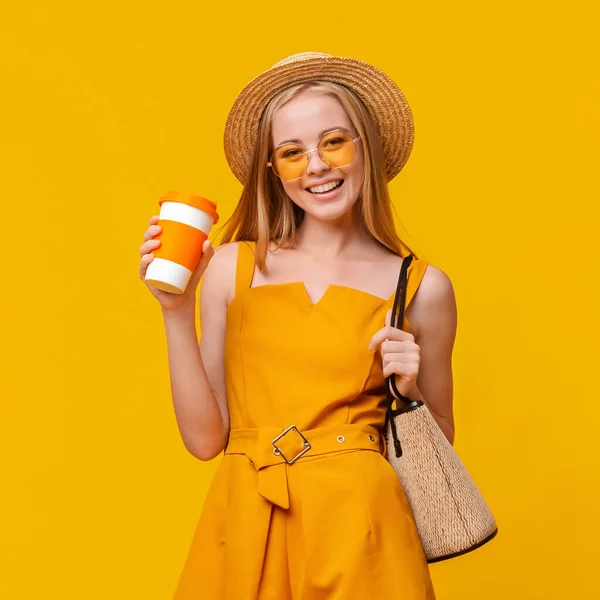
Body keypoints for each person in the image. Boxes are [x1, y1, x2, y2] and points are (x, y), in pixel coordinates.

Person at [139, 52, 457, 600]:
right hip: (243, 525)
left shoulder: (422, 286)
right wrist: (174, 310)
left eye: (334, 141)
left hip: (366, 537)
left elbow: (438, 455)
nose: (316, 166)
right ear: (272, 168)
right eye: (292, 152)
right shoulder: (229, 271)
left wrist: (410, 390)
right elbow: (204, 440)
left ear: (366, 146)